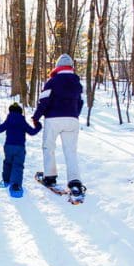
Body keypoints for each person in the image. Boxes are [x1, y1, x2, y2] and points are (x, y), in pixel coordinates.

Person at [32, 53, 85, 199]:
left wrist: (36, 117)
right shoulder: (77, 83)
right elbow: (80, 102)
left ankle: (50, 176)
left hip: (53, 119)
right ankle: (74, 182)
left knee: (49, 147)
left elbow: (44, 101)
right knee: (70, 151)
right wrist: (73, 114)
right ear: (71, 67)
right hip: (72, 120)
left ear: (57, 67)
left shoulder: (52, 81)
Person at [0, 103, 41, 198]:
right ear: (20, 112)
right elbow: (32, 132)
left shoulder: (9, 120)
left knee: (8, 163)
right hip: (19, 147)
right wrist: (38, 125)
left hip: (8, 146)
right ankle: (15, 185)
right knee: (17, 165)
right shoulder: (22, 121)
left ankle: (6, 180)